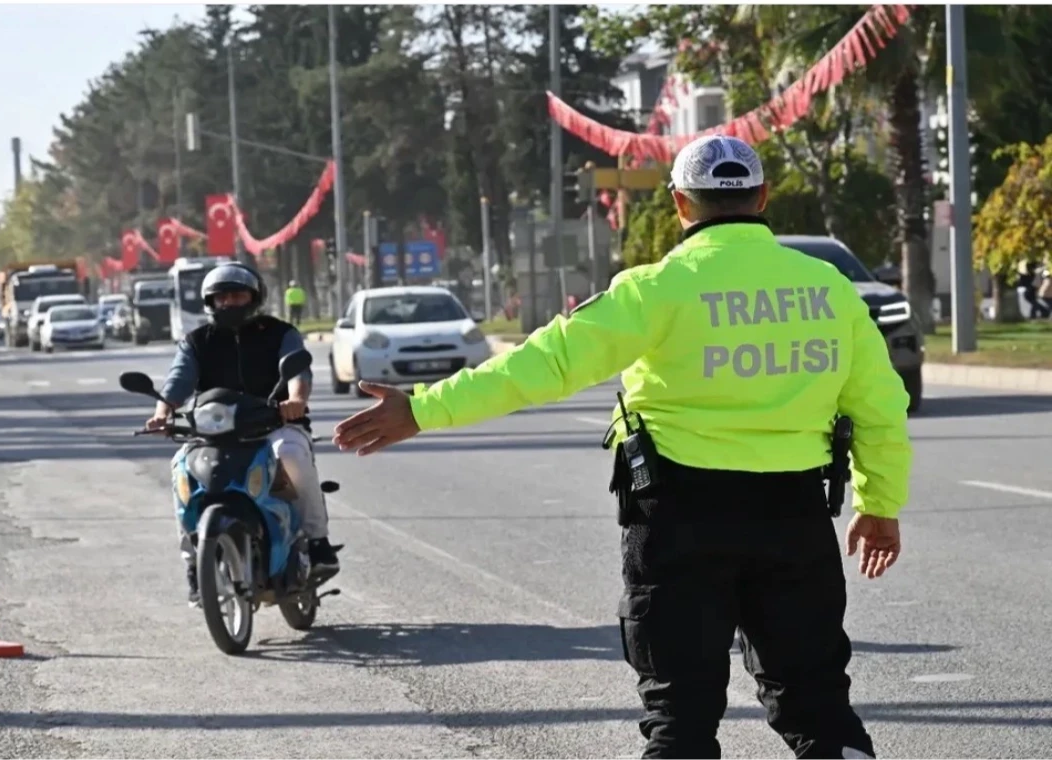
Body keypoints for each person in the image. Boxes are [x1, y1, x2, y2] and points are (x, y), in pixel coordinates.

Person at [333, 134, 911, 760]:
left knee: (680, 720)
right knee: (820, 710)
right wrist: (878, 505)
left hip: (681, 520)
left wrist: (421, 408)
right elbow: (879, 408)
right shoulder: (827, 289)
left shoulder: (655, 288)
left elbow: (543, 364)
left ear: (681, 204)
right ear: (763, 197)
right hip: (795, 518)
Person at [146, 263, 339, 606]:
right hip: (212, 434)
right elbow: (178, 380)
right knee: (181, 471)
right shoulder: (197, 341)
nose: (231, 303)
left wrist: (296, 400)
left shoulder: (280, 332)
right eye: (222, 297)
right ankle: (194, 564)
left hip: (275, 426)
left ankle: (318, 542)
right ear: (211, 302)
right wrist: (163, 412)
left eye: (238, 295)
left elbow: (297, 369)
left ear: (255, 297)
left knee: (292, 456)